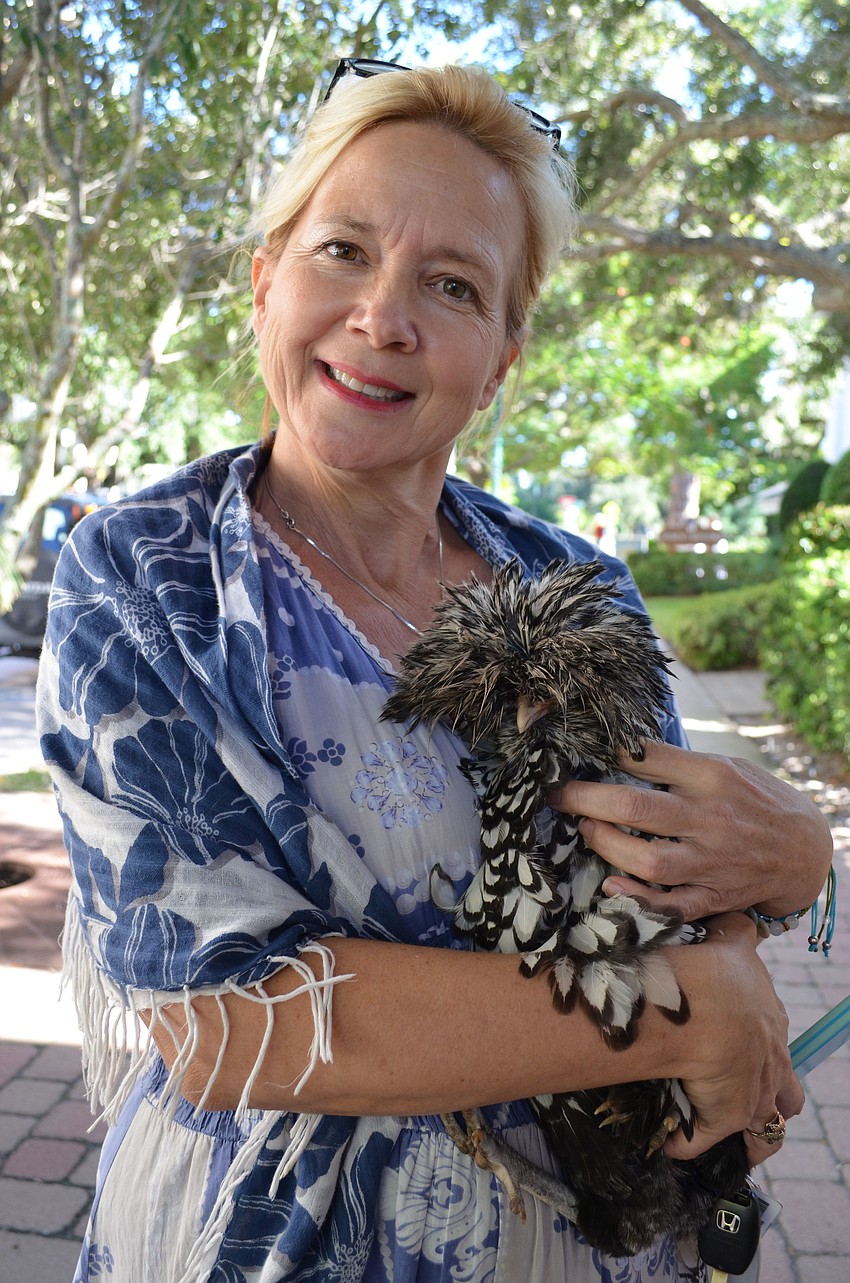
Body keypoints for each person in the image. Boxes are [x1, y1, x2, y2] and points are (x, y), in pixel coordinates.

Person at [36, 59, 833, 1283]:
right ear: (265, 280)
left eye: (451, 284)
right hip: (275, 1241)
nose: (382, 317)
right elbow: (220, 1017)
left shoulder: (574, 580)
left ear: (502, 356)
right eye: (343, 251)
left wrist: (791, 866)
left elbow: (667, 890)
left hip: (593, 1236)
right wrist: (677, 1014)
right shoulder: (150, 575)